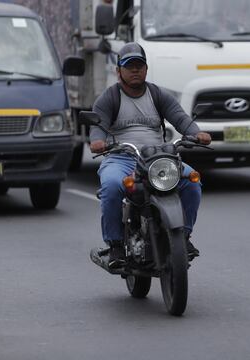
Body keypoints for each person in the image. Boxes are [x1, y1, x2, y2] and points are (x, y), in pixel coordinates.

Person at [89, 42, 212, 268]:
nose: (135, 70)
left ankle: (183, 238)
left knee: (192, 180)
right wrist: (97, 141)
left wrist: (197, 133)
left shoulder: (158, 95)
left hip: (157, 158)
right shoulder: (109, 98)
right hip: (121, 158)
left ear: (146, 69)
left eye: (139, 65)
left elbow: (181, 118)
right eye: (129, 66)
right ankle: (115, 245)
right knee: (111, 186)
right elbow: (98, 125)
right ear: (119, 71)